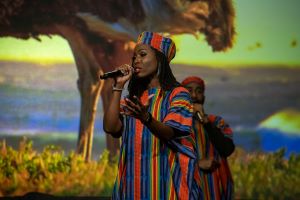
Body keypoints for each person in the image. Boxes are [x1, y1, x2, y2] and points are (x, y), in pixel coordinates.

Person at [103, 31, 201, 199]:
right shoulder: (133, 99)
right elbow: (110, 127)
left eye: (142, 55)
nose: (136, 60)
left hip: (165, 187)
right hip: (132, 187)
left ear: (160, 59)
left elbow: (170, 132)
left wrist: (146, 118)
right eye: (134, 57)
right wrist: (118, 86)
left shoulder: (177, 95)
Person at [182, 76, 235, 200]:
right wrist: (197, 164)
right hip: (189, 189)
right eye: (189, 91)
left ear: (204, 98)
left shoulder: (216, 121)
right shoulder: (177, 124)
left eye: (199, 91)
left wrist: (205, 122)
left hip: (217, 191)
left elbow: (227, 149)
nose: (194, 95)